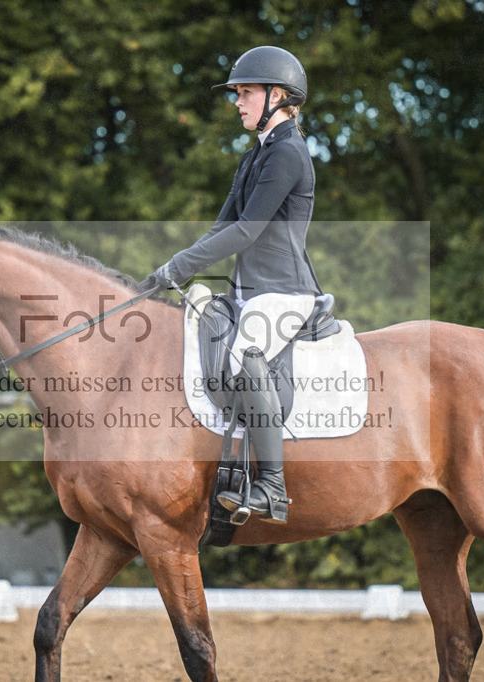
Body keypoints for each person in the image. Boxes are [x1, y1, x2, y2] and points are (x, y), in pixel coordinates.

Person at [140, 46, 322, 524]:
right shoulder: (253, 157)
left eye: (246, 93)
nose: (237, 103)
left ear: (277, 96)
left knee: (246, 354)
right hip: (251, 291)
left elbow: (247, 232)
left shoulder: (288, 154)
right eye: (237, 94)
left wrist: (179, 267)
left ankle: (272, 487)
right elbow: (222, 227)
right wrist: (167, 271)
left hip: (285, 293)